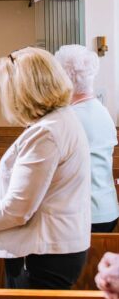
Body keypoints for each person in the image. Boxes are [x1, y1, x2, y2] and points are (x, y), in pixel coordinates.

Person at [0, 47, 91, 289]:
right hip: (49, 248)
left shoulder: (47, 132)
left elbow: (19, 206)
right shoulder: (59, 120)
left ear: (23, 91)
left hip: (42, 255)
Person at [55, 44, 119, 232]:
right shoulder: (101, 111)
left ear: (62, 80)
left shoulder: (69, 118)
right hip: (107, 207)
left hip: (83, 213)